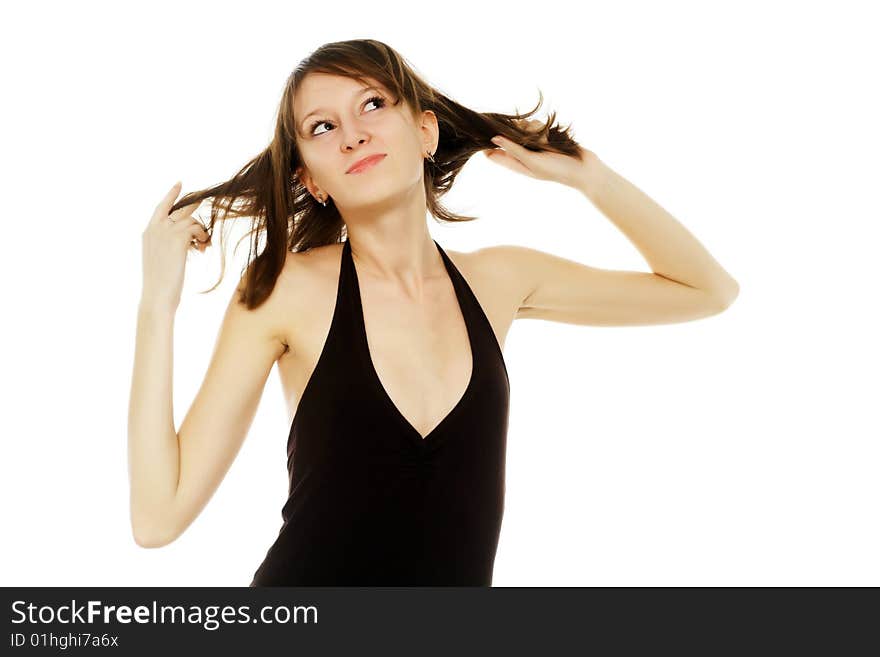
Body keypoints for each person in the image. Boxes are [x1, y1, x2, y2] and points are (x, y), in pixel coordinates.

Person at [128, 39, 739, 586]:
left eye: (372, 104)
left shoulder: (500, 281)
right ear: (310, 180)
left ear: (425, 131)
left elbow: (707, 290)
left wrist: (593, 181)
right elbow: (159, 518)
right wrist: (158, 299)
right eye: (321, 128)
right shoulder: (286, 289)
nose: (352, 135)